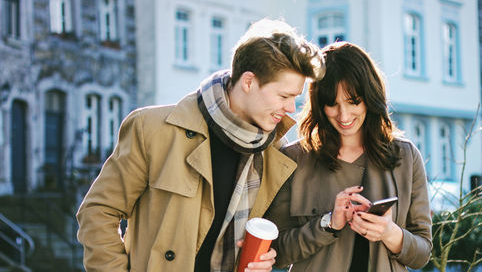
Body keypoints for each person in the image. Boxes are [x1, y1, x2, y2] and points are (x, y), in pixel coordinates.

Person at [76, 19, 324, 272]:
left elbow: (276, 242)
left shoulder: (274, 154)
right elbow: (98, 212)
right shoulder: (153, 129)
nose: (291, 108)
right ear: (249, 82)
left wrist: (266, 259)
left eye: (295, 98)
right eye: (284, 96)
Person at [265, 42, 432, 272]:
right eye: (332, 104)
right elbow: (275, 252)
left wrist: (390, 233)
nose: (343, 116)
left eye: (353, 102)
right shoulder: (293, 159)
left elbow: (422, 254)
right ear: (319, 104)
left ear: (369, 96)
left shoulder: (406, 156)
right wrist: (328, 224)